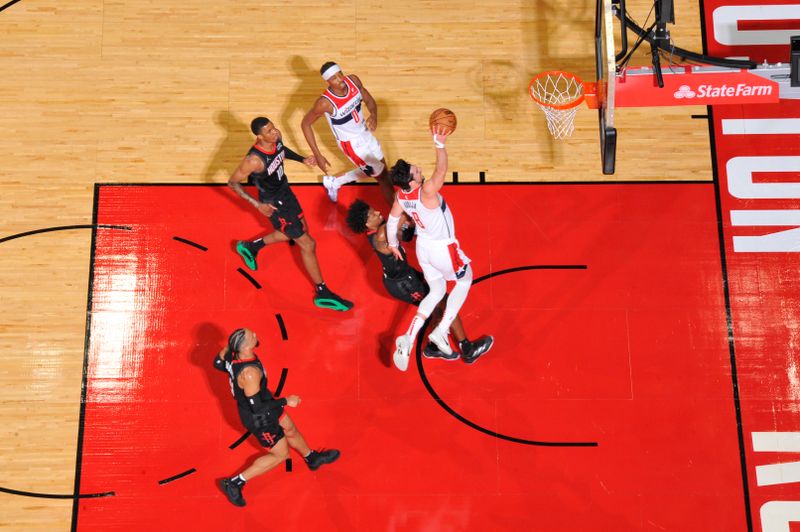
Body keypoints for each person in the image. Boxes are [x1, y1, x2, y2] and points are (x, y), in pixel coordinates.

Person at [385, 126, 491, 372]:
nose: (419, 169)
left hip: (424, 249)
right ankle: (441, 332)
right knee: (465, 280)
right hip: (443, 248)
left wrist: (393, 244)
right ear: (412, 180)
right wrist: (439, 144)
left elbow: (392, 220)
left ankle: (409, 337)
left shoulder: (401, 196)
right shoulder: (427, 192)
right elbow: (441, 170)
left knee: (436, 291)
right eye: (415, 170)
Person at [345, 198, 493, 366]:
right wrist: (408, 201)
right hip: (404, 285)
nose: (378, 212)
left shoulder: (378, 231)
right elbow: (398, 217)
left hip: (404, 276)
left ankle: (433, 348)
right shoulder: (380, 235)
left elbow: (403, 233)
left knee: (435, 303)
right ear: (366, 224)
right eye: (373, 214)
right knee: (444, 302)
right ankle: (467, 349)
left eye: (375, 210)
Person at [229, 116, 353, 311]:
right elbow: (233, 182)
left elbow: (282, 151)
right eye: (269, 131)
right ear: (260, 137)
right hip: (273, 203)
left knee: (301, 230)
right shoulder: (254, 160)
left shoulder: (276, 140)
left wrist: (302, 159)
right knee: (308, 243)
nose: (275, 132)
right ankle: (323, 293)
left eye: (274, 128)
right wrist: (256, 204)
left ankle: (251, 247)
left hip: (285, 193)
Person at [215, 328, 340, 507]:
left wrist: (229, 345)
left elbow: (217, 363)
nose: (256, 335)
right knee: (280, 454)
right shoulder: (249, 373)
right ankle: (235, 483)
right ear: (245, 346)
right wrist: (286, 401)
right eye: (252, 336)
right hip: (260, 418)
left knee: (290, 428)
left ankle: (311, 458)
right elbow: (256, 408)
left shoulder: (234, 356)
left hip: (265, 401)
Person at [301, 61, 395, 206]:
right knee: (382, 176)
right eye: (334, 78)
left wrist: (374, 115)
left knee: (381, 170)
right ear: (327, 82)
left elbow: (370, 101)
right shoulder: (325, 103)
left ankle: (334, 182)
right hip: (351, 144)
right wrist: (318, 155)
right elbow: (305, 124)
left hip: (365, 133)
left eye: (340, 75)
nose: (340, 81)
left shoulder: (353, 81)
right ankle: (402, 218)